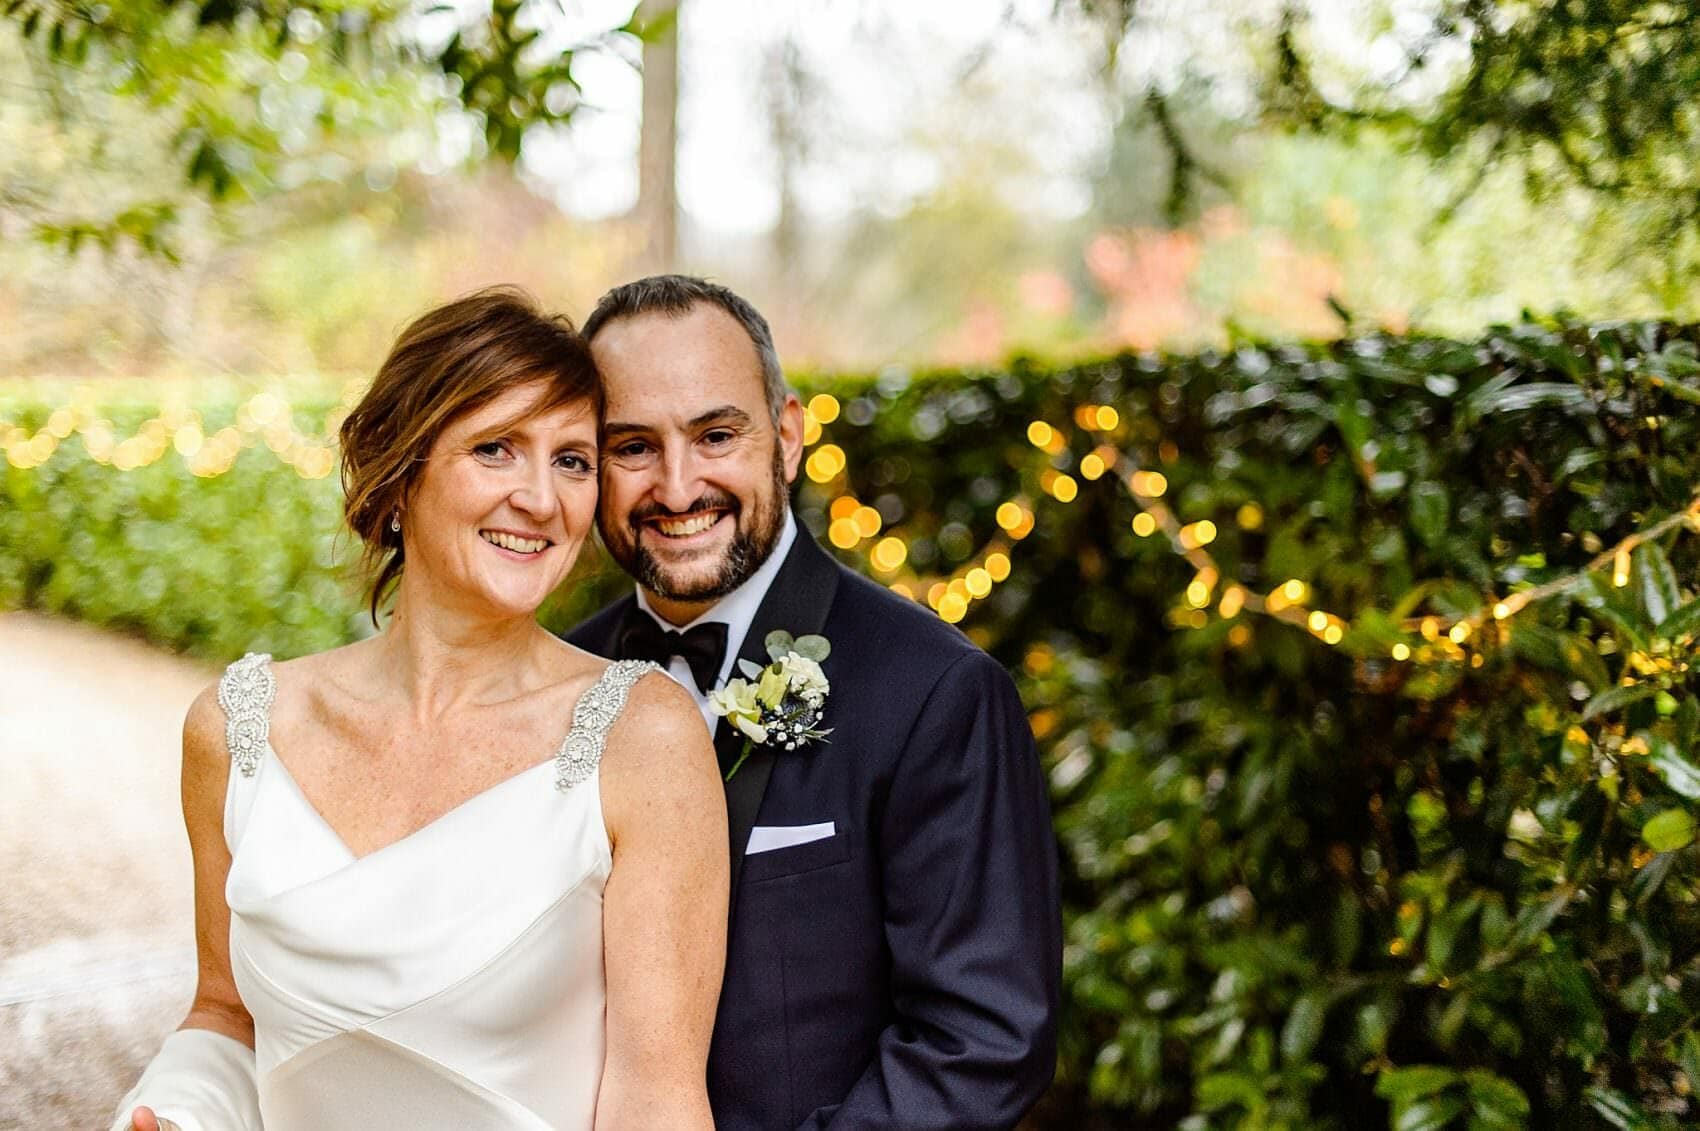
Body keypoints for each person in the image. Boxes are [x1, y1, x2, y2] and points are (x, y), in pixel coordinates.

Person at [111, 288, 727, 1131]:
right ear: (402, 474)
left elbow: (655, 1100)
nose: (542, 499)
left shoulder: (642, 737)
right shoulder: (236, 728)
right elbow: (225, 1014)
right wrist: (176, 1112)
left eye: (572, 460)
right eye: (497, 448)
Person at [567, 275, 1062, 1130]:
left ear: (786, 437)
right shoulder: (554, 680)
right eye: (631, 446)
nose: (679, 487)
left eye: (716, 434)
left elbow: (980, 1041)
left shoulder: (935, 692)